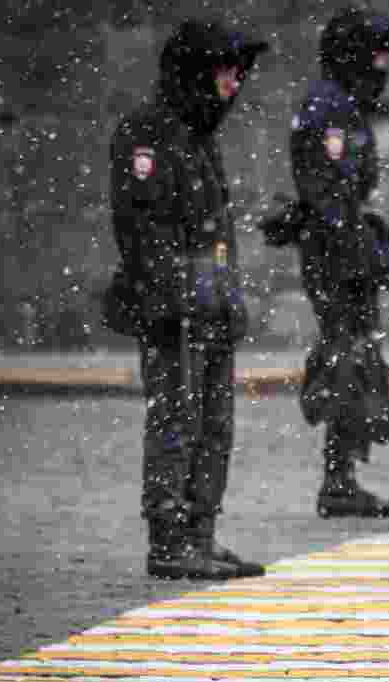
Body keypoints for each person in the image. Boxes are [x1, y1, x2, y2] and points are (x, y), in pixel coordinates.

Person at [108, 20, 267, 580]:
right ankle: (170, 540)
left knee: (214, 424)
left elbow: (214, 232)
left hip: (211, 304)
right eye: (225, 72)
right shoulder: (149, 132)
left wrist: (226, 296)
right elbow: (144, 228)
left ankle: (201, 531)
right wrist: (172, 298)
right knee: (176, 421)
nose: (234, 85)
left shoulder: (198, 135)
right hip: (176, 311)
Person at [289, 7, 389, 518]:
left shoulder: (344, 106)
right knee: (345, 358)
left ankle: (343, 473)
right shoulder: (328, 109)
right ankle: (337, 478)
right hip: (335, 256)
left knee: (356, 358)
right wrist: (349, 252)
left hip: (345, 249)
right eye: (376, 53)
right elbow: (326, 191)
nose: (383, 65)